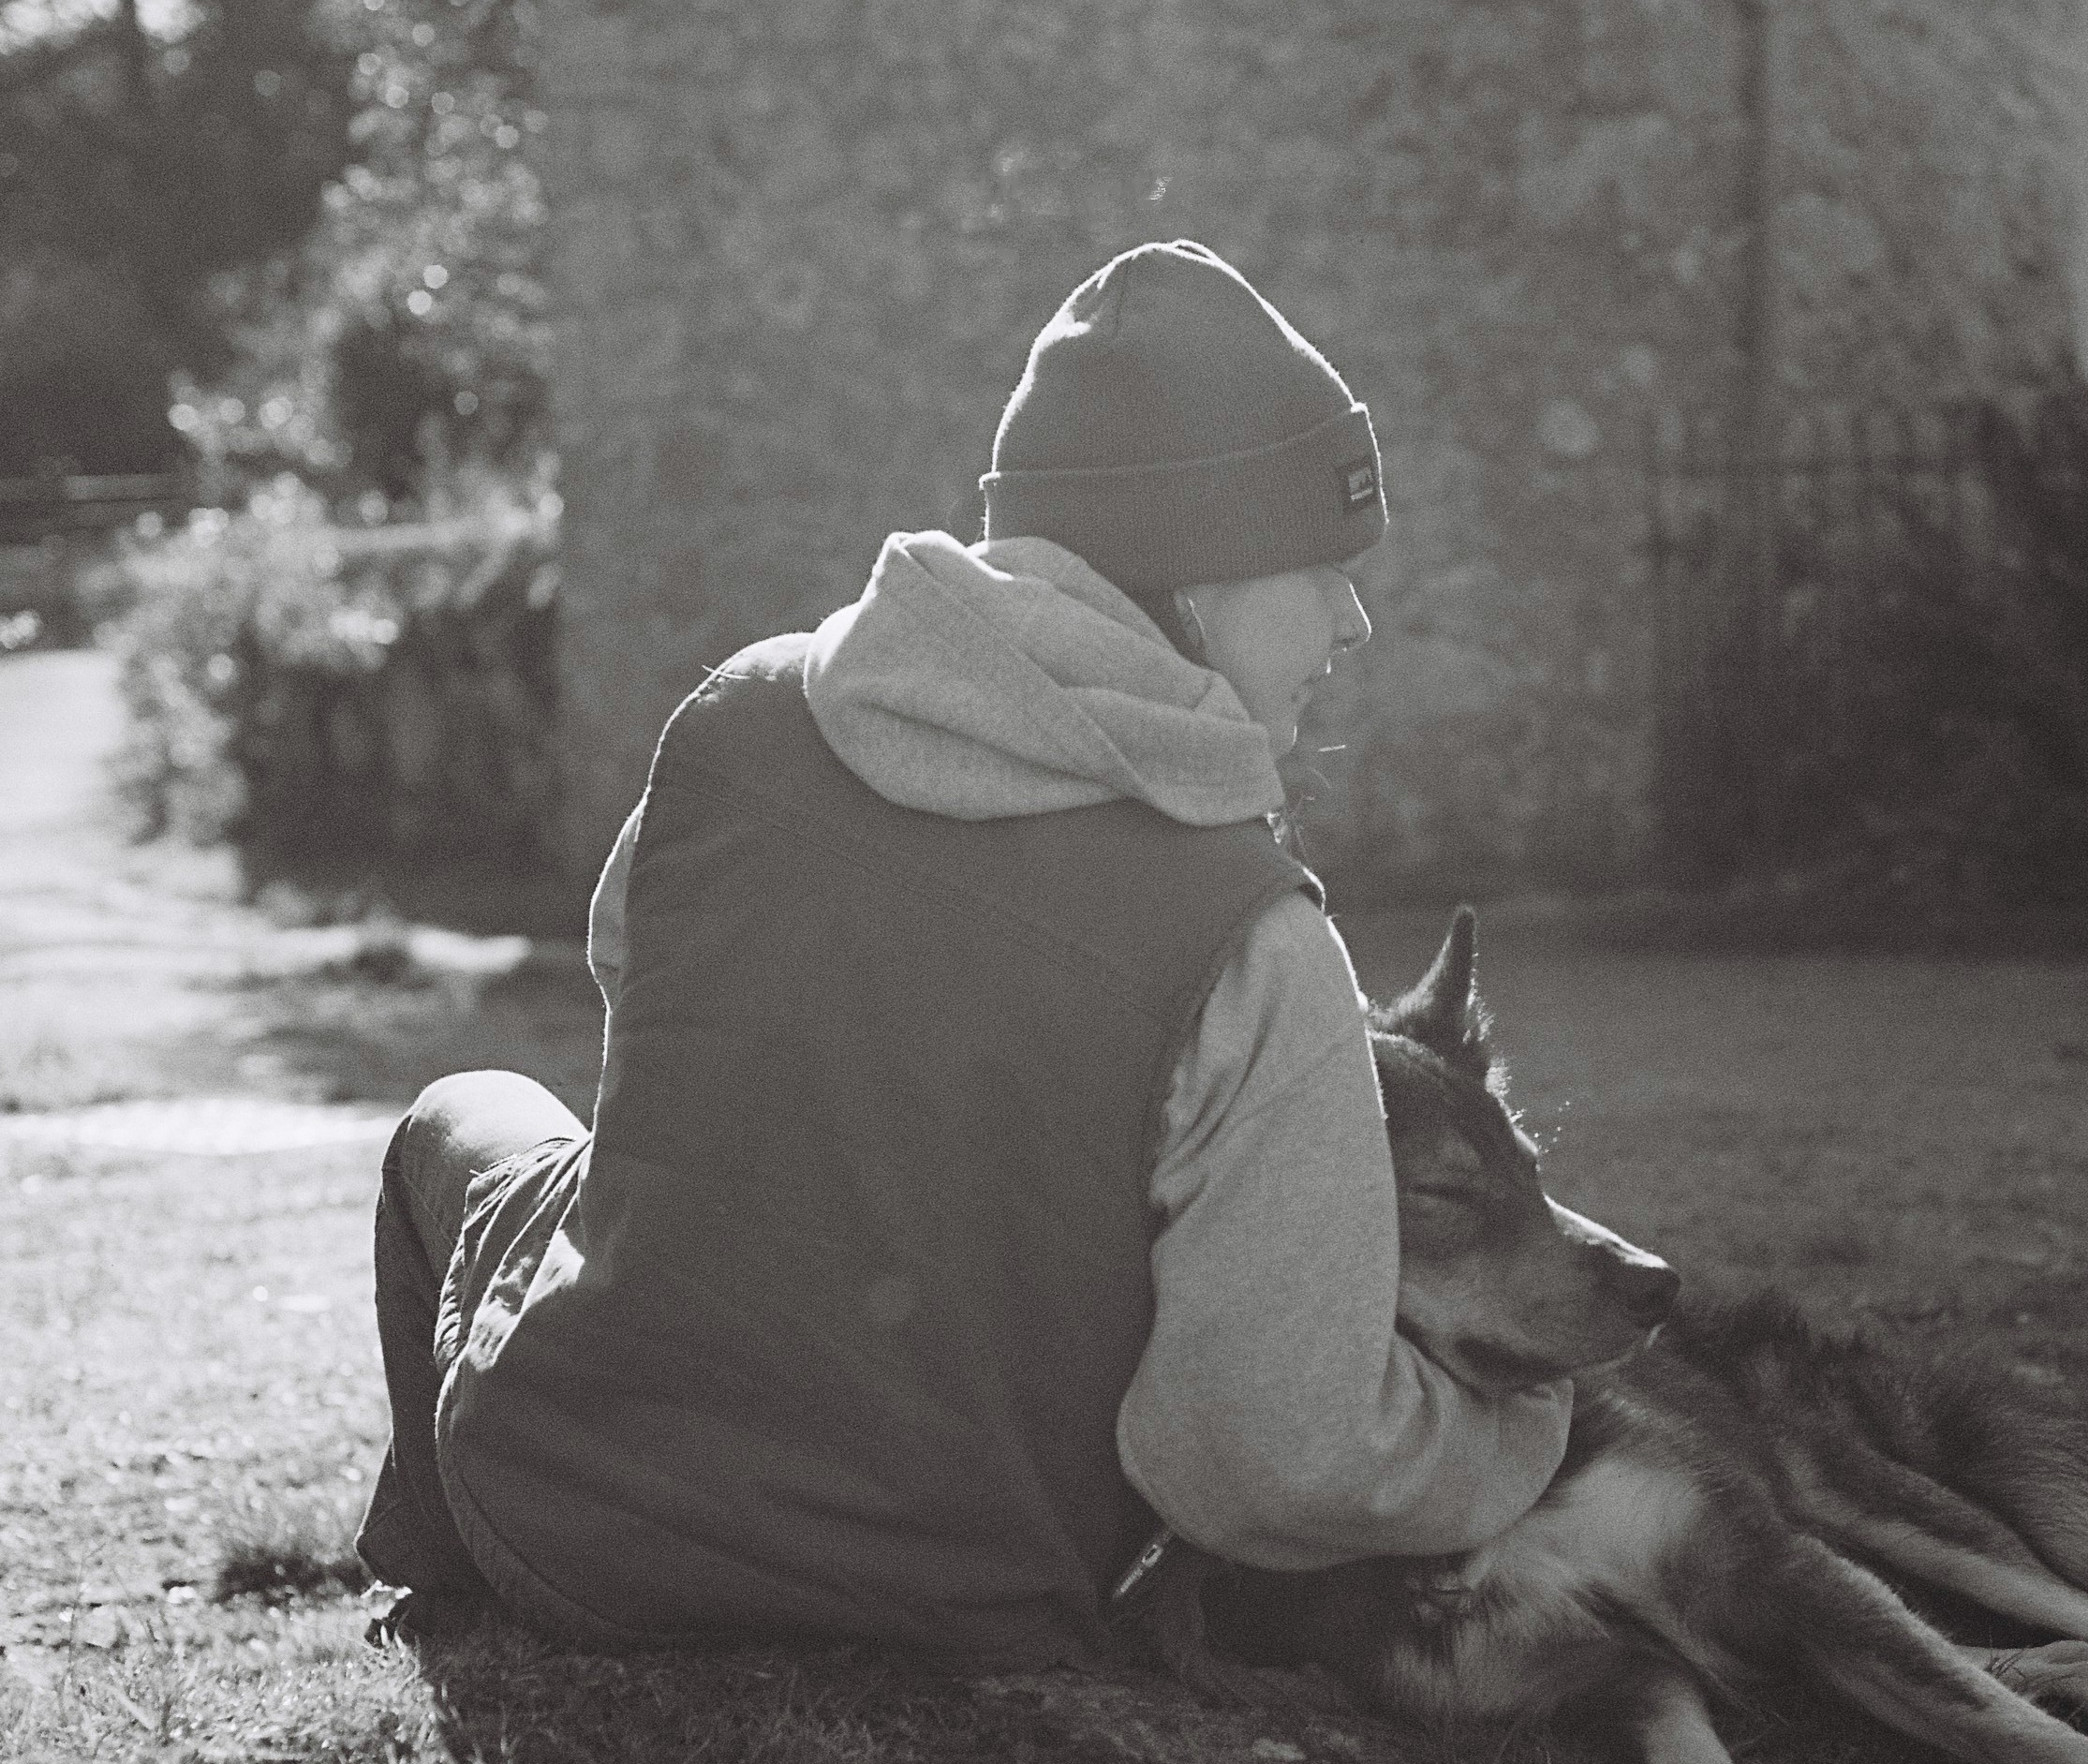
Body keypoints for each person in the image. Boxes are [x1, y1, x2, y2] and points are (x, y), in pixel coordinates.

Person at [356, 241, 1573, 1667]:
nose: (1354, 622)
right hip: (959, 1603)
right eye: (1321, 569)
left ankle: (436, 1579)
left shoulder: (733, 725)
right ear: (1197, 572)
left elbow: (647, 1016)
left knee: (464, 1115)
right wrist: (1524, 1415)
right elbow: (1267, 1459)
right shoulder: (1255, 936)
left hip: (579, 1541)